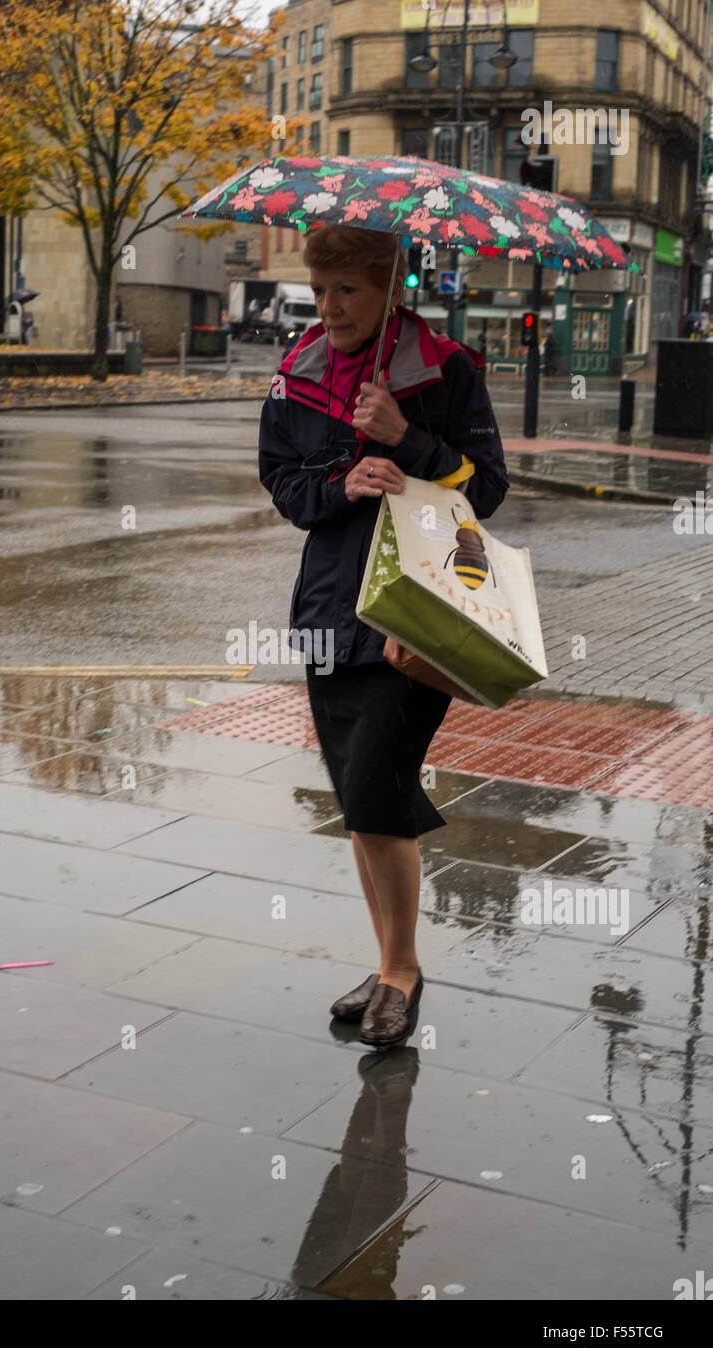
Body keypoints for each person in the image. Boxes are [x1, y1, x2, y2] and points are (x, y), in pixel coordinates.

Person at [259, 225, 508, 1050]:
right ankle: (388, 960)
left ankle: (401, 972)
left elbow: (489, 488)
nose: (328, 307)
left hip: (416, 612)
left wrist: (407, 440)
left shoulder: (448, 369)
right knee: (361, 802)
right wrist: (342, 481)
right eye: (321, 288)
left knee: (374, 788)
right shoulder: (298, 375)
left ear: (388, 290)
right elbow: (285, 485)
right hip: (329, 609)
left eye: (347, 291)